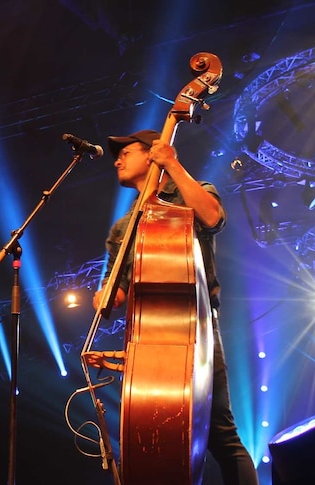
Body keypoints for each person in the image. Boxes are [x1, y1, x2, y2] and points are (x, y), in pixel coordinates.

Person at [90, 130, 259, 485]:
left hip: (197, 331)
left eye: (126, 152)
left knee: (222, 436)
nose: (117, 159)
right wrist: (104, 294)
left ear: (152, 154)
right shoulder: (123, 228)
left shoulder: (189, 192)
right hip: (149, 339)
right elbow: (116, 296)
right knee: (151, 441)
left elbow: (213, 218)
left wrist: (174, 164)